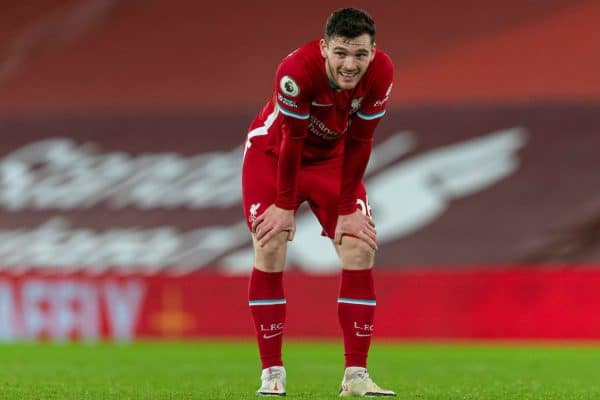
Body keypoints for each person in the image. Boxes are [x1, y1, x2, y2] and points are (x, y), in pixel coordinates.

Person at [242, 7, 396, 397]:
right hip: (274, 156)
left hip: (332, 161)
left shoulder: (382, 73)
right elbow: (292, 139)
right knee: (271, 243)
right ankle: (272, 373)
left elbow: (361, 141)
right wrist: (283, 203)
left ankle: (356, 377)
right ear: (325, 47)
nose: (350, 64)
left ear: (373, 52)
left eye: (360, 54)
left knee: (360, 248)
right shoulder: (296, 71)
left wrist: (347, 210)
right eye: (341, 52)